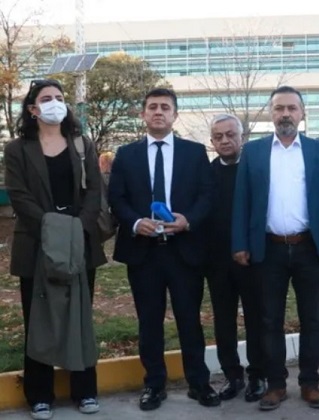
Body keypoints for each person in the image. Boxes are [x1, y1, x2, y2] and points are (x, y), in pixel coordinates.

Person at [232, 86, 319, 411]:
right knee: (269, 320)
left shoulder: (318, 151)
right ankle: (276, 384)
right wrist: (240, 243)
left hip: (309, 247)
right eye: (279, 108)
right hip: (268, 250)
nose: (285, 114)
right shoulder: (253, 152)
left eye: (292, 108)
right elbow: (241, 200)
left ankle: (310, 383)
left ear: (302, 113)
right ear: (271, 113)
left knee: (312, 320)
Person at [108, 88, 219, 411]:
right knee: (149, 321)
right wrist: (134, 222)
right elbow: (116, 198)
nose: (159, 112)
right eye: (153, 107)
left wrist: (188, 220)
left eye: (165, 107)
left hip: (183, 250)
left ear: (175, 115)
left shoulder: (194, 152)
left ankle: (199, 383)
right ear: (143, 114)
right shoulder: (126, 154)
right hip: (143, 252)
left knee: (189, 320)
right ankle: (154, 385)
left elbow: (207, 195)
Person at [4, 79, 106, 419]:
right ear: (33, 109)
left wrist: (77, 228)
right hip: (37, 244)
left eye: (59, 97)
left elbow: (94, 190)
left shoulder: (82, 143)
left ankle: (85, 390)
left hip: (79, 243)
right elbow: (19, 195)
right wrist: (53, 228)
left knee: (80, 317)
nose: (54, 103)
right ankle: (39, 394)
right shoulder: (17, 149)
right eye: (46, 98)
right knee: (39, 319)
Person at [204, 114, 266, 402]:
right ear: (212, 142)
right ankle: (233, 376)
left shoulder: (255, 170)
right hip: (217, 261)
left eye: (231, 135)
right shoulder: (206, 173)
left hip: (251, 260)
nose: (225, 141)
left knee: (256, 319)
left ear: (243, 137)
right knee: (223, 321)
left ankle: (258, 376)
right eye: (219, 137)